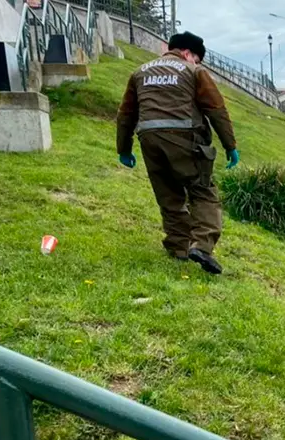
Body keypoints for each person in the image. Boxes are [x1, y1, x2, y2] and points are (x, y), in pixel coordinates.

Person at [116, 31, 240, 275]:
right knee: (203, 192)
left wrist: (124, 149)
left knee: (169, 195)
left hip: (149, 139)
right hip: (185, 138)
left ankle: (179, 247)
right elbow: (216, 109)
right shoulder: (193, 71)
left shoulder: (140, 72)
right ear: (187, 53)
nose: (196, 62)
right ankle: (201, 246)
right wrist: (230, 146)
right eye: (196, 58)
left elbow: (126, 114)